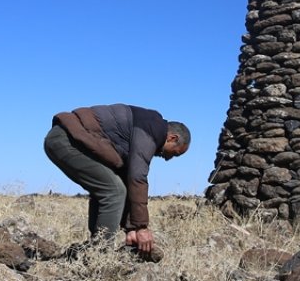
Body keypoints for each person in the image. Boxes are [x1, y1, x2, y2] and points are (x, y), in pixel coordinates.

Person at [43, 104, 190, 256]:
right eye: (174, 154)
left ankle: (95, 252)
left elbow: (127, 179)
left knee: (109, 187)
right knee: (114, 191)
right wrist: (141, 227)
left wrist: (131, 228)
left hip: (67, 139)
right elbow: (137, 177)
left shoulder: (144, 129)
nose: (168, 159)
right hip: (66, 140)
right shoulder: (151, 128)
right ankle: (100, 257)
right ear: (172, 138)